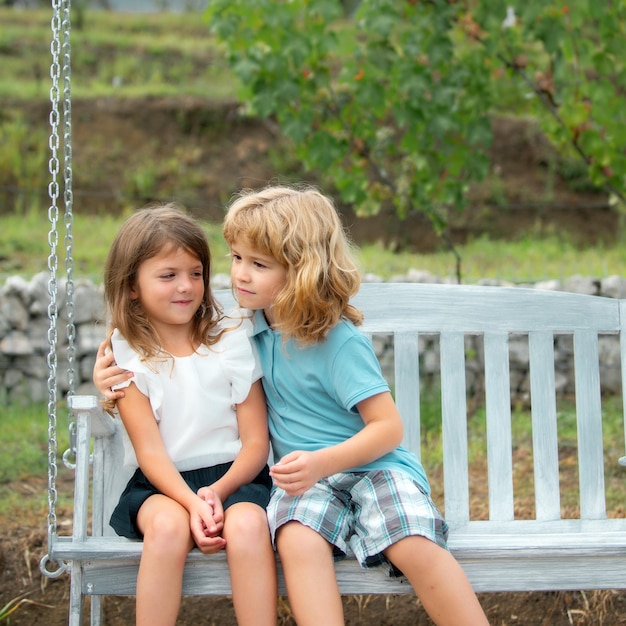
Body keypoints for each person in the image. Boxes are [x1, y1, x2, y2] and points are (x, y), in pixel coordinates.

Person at [96, 188, 489, 625]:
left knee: (411, 541)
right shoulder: (247, 329)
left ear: (301, 272)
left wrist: (322, 462)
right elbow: (167, 344)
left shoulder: (336, 343)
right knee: (297, 540)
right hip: (305, 484)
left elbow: (388, 429)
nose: (239, 275)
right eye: (236, 258)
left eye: (258, 264)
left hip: (373, 469)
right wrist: (106, 377)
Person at [95, 204, 276, 626]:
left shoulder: (230, 337)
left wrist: (217, 492)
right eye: (168, 275)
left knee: (249, 527)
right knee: (168, 528)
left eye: (195, 273)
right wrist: (191, 502)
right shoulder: (128, 356)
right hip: (162, 485)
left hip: (237, 477)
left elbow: (255, 442)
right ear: (132, 286)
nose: (186, 286)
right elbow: (150, 453)